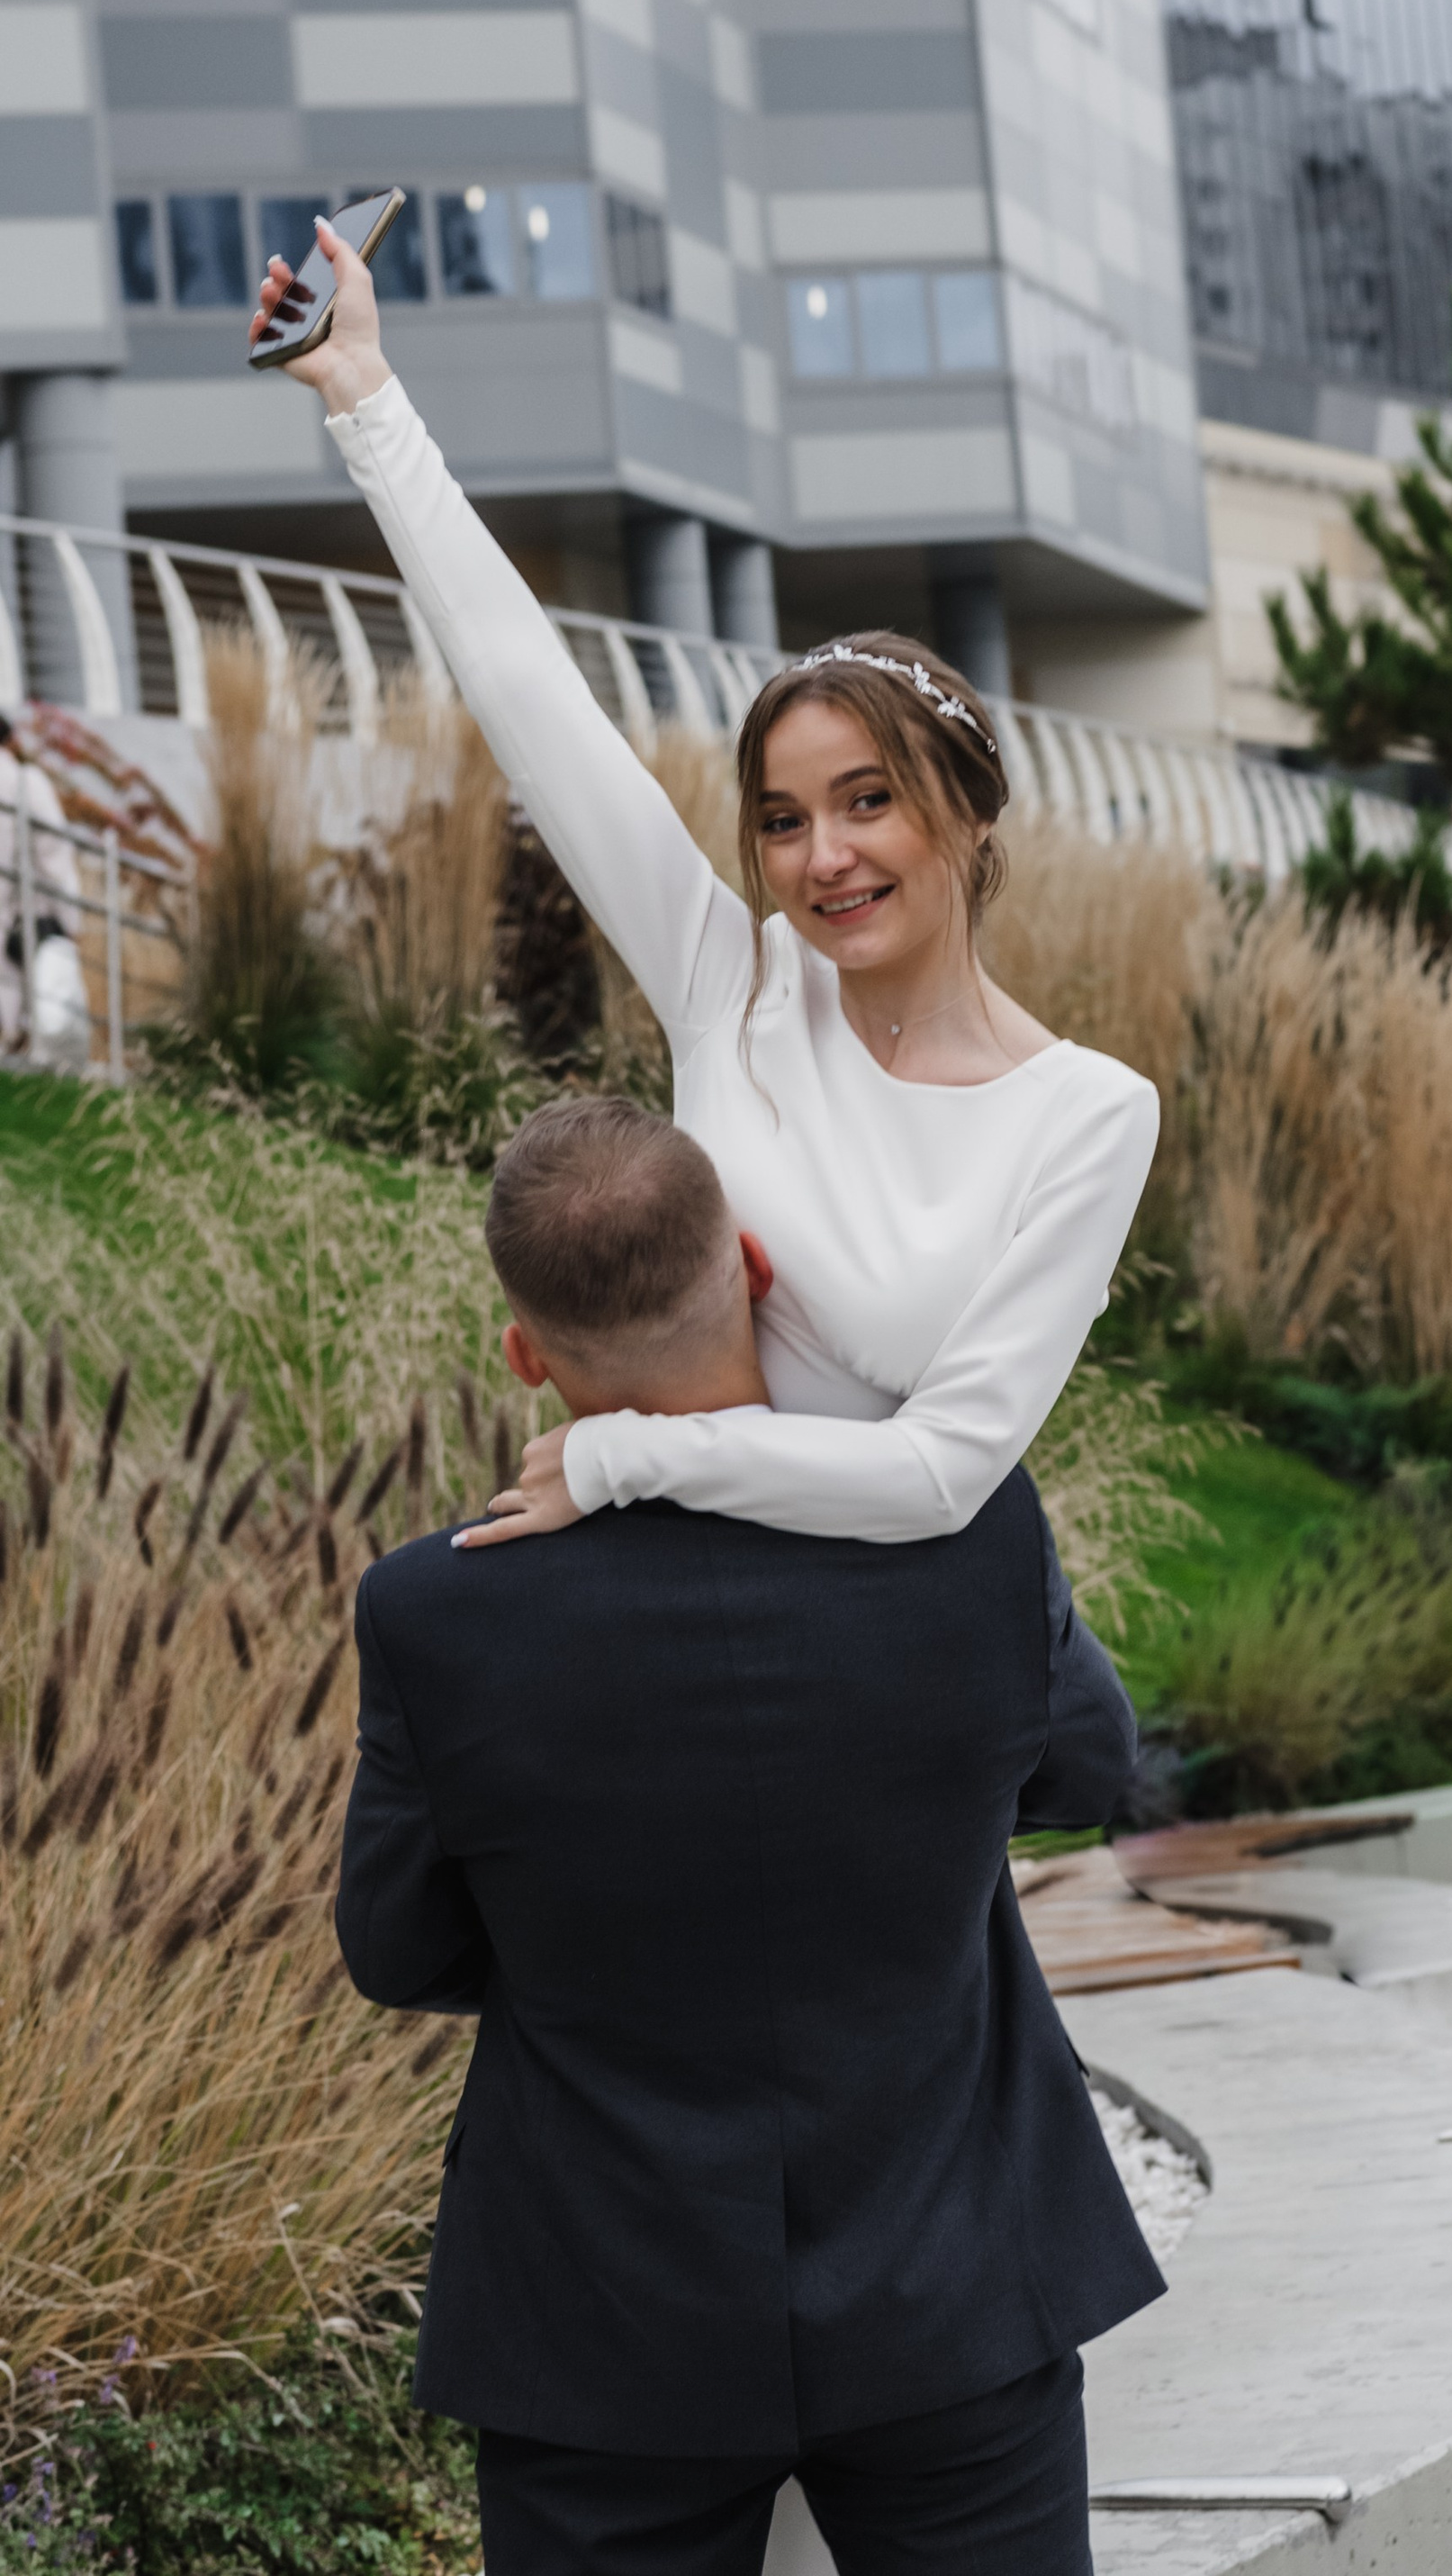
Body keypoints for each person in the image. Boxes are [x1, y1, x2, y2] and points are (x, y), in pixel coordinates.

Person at [337, 1095, 1163, 2576]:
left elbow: (398, 1947)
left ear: (526, 1354)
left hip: (602, 2325)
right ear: (762, 1273)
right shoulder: (962, 1529)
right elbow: (1091, 1766)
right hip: (956, 2285)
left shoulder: (433, 1612)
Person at [252, 221, 1159, 1550]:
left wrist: (626, 1456)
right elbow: (528, 694)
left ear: (968, 810)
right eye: (781, 820)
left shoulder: (1087, 1116)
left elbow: (939, 1476)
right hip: (695, 1620)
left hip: (923, 1662)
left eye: (870, 801)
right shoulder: (732, 981)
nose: (822, 858)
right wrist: (363, 396)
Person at [0, 709, 86, 1064]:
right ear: (10, 740)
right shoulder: (24, 781)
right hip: (18, 914)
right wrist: (71, 918)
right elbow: (53, 853)